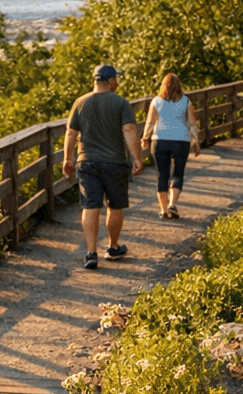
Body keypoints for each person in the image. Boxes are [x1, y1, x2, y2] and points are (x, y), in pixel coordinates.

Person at [62, 64, 144, 269]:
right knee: (115, 205)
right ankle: (113, 247)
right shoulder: (121, 103)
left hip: (87, 161)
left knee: (90, 205)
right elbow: (129, 129)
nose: (118, 81)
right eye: (117, 78)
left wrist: (67, 159)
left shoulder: (80, 102)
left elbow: (71, 133)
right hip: (114, 162)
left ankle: (91, 253)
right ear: (109, 81)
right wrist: (137, 157)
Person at [142, 72, 199, 220]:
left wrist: (145, 137)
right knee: (178, 173)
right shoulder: (186, 101)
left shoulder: (156, 101)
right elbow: (193, 123)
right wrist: (197, 141)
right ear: (179, 86)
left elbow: (150, 122)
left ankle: (163, 210)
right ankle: (172, 204)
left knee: (162, 175)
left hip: (160, 140)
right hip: (181, 140)